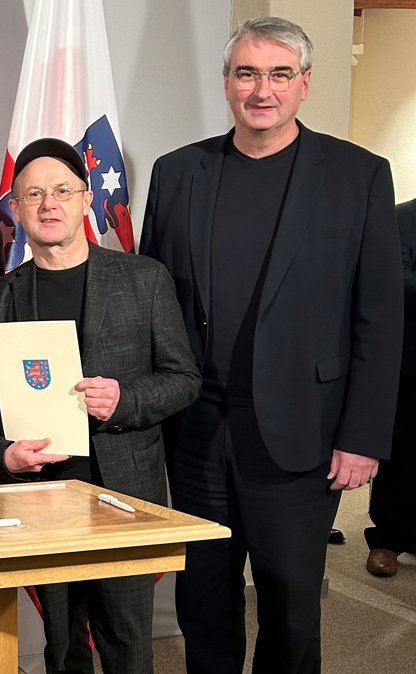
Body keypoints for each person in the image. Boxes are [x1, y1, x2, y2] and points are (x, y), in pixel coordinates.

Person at [139, 16, 402, 673]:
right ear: (226, 82)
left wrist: (364, 435)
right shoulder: (177, 173)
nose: (263, 88)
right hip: (196, 429)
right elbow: (151, 305)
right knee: (202, 601)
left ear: (304, 84)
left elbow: (378, 316)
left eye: (279, 73)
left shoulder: (358, 176)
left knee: (289, 604)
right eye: (247, 73)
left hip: (303, 435)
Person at [0, 138, 199, 674]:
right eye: (33, 194)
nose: (48, 204)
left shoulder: (143, 279)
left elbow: (184, 380)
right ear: (18, 209)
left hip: (124, 494)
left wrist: (126, 399)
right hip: (44, 494)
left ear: (84, 200)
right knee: (63, 646)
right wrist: (2, 453)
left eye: (61, 191)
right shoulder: (2, 297)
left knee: (126, 645)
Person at [365, 196, 416, 577]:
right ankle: (387, 540)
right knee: (401, 455)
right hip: (409, 367)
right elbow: (398, 284)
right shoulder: (401, 217)